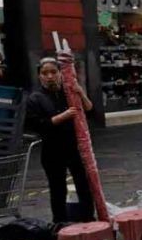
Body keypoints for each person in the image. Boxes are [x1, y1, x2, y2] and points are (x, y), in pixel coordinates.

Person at [25, 58, 94, 223]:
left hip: (74, 147)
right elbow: (36, 125)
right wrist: (63, 116)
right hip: (52, 151)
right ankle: (60, 224)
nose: (49, 76)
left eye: (53, 72)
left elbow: (88, 108)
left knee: (84, 185)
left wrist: (81, 92)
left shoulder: (68, 92)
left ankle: (89, 220)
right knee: (58, 189)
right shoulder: (35, 98)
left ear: (60, 74)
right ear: (39, 76)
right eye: (44, 73)